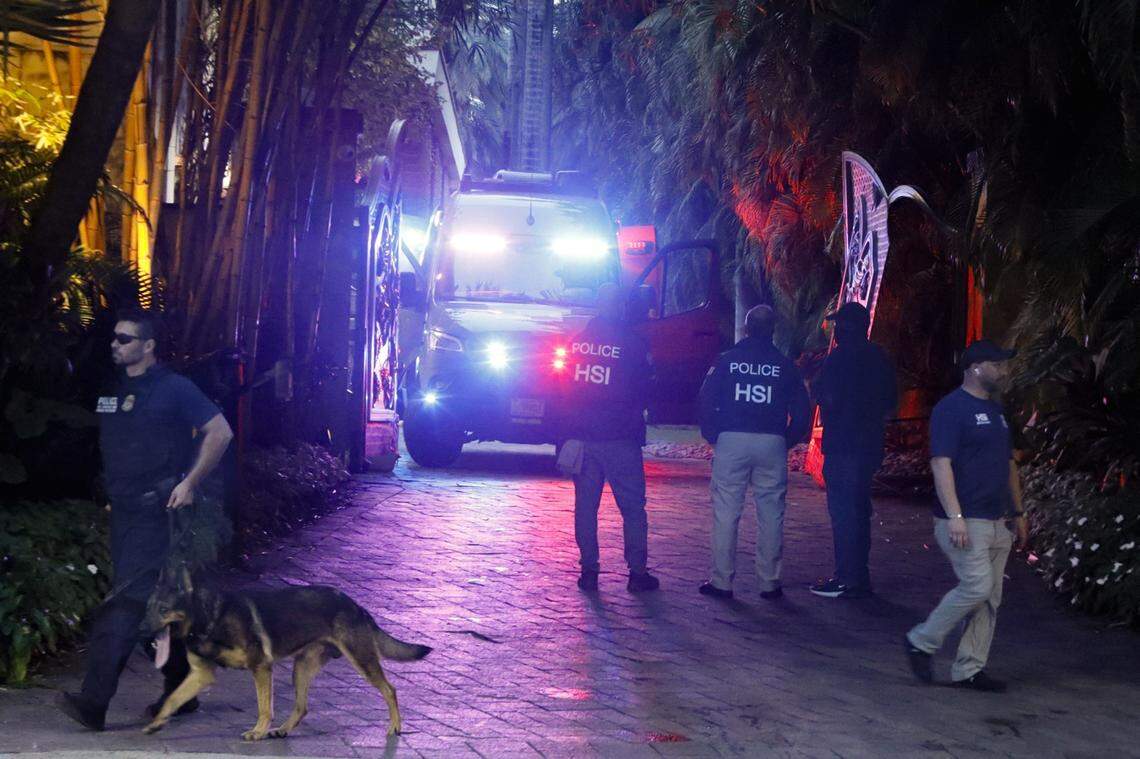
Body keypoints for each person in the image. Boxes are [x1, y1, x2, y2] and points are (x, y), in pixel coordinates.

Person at [59, 309, 234, 730]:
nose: (115, 345)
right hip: (123, 511)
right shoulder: (112, 390)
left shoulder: (174, 389)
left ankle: (94, 701)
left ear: (148, 345)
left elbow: (220, 432)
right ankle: (182, 688)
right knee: (157, 604)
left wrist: (190, 483)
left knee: (126, 602)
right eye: (114, 339)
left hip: (159, 512)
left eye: (125, 339)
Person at [904, 339, 1029, 692]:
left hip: (996, 519)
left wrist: (1018, 511)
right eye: (998, 364)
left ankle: (969, 669)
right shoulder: (951, 409)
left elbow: (1008, 465)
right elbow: (941, 462)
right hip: (964, 519)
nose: (1004, 371)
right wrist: (955, 515)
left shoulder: (998, 413)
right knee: (977, 586)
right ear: (976, 368)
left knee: (990, 597)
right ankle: (921, 641)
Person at [696, 304, 811, 600]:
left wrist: (713, 435)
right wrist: (786, 440)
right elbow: (801, 412)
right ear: (772, 330)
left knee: (726, 512)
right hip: (771, 441)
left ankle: (722, 581)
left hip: (731, 439)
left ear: (747, 329)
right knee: (772, 513)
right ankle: (769, 583)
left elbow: (706, 399)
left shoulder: (726, 361)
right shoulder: (785, 365)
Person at [563, 283, 659, 593]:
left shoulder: (577, 344)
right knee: (632, 508)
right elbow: (646, 390)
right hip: (620, 438)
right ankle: (637, 573)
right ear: (619, 306)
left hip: (583, 437)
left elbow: (561, 390)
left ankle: (589, 571)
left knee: (585, 508)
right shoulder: (632, 344)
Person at [809, 301, 897, 599]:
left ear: (845, 329)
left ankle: (846, 578)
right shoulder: (879, 358)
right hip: (869, 445)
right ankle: (860, 576)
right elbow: (889, 403)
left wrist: (816, 389)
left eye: (837, 326)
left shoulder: (838, 360)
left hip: (843, 445)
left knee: (844, 512)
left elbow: (827, 400)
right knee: (860, 510)